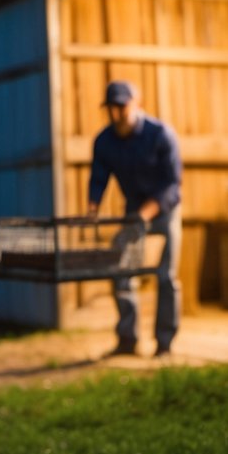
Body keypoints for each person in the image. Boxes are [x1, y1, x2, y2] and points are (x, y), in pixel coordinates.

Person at [87, 81, 183, 358]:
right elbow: (98, 178)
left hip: (164, 211)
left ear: (136, 104)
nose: (117, 114)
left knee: (166, 276)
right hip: (134, 210)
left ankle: (165, 344)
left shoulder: (160, 134)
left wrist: (146, 213)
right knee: (121, 271)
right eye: (112, 108)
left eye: (122, 107)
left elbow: (173, 184)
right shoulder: (104, 141)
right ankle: (127, 340)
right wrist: (92, 209)